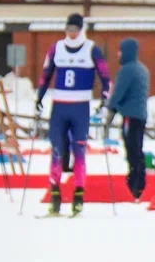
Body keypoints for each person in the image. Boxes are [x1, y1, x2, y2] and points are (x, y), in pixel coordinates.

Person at [35, 14, 111, 216]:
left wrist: (105, 101)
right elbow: (46, 75)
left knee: (79, 152)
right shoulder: (56, 48)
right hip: (59, 106)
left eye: (76, 29)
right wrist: (39, 98)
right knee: (57, 151)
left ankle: (78, 196)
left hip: (80, 107)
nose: (72, 33)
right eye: (69, 29)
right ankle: (55, 197)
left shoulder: (92, 49)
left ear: (81, 29)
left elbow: (106, 77)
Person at [103, 38, 150, 200]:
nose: (118, 54)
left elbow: (118, 93)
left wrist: (110, 111)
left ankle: (135, 184)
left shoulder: (127, 70)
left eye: (120, 50)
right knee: (138, 148)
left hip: (130, 115)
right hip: (141, 115)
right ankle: (140, 182)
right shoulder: (142, 69)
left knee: (132, 150)